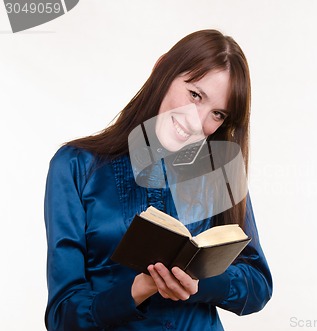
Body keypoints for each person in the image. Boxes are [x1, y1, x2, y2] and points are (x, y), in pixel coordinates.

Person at [44, 29, 272, 330]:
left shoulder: (219, 171)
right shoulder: (76, 165)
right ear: (162, 68)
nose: (198, 122)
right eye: (195, 95)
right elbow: (62, 316)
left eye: (217, 114)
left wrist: (199, 282)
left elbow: (258, 285)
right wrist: (137, 290)